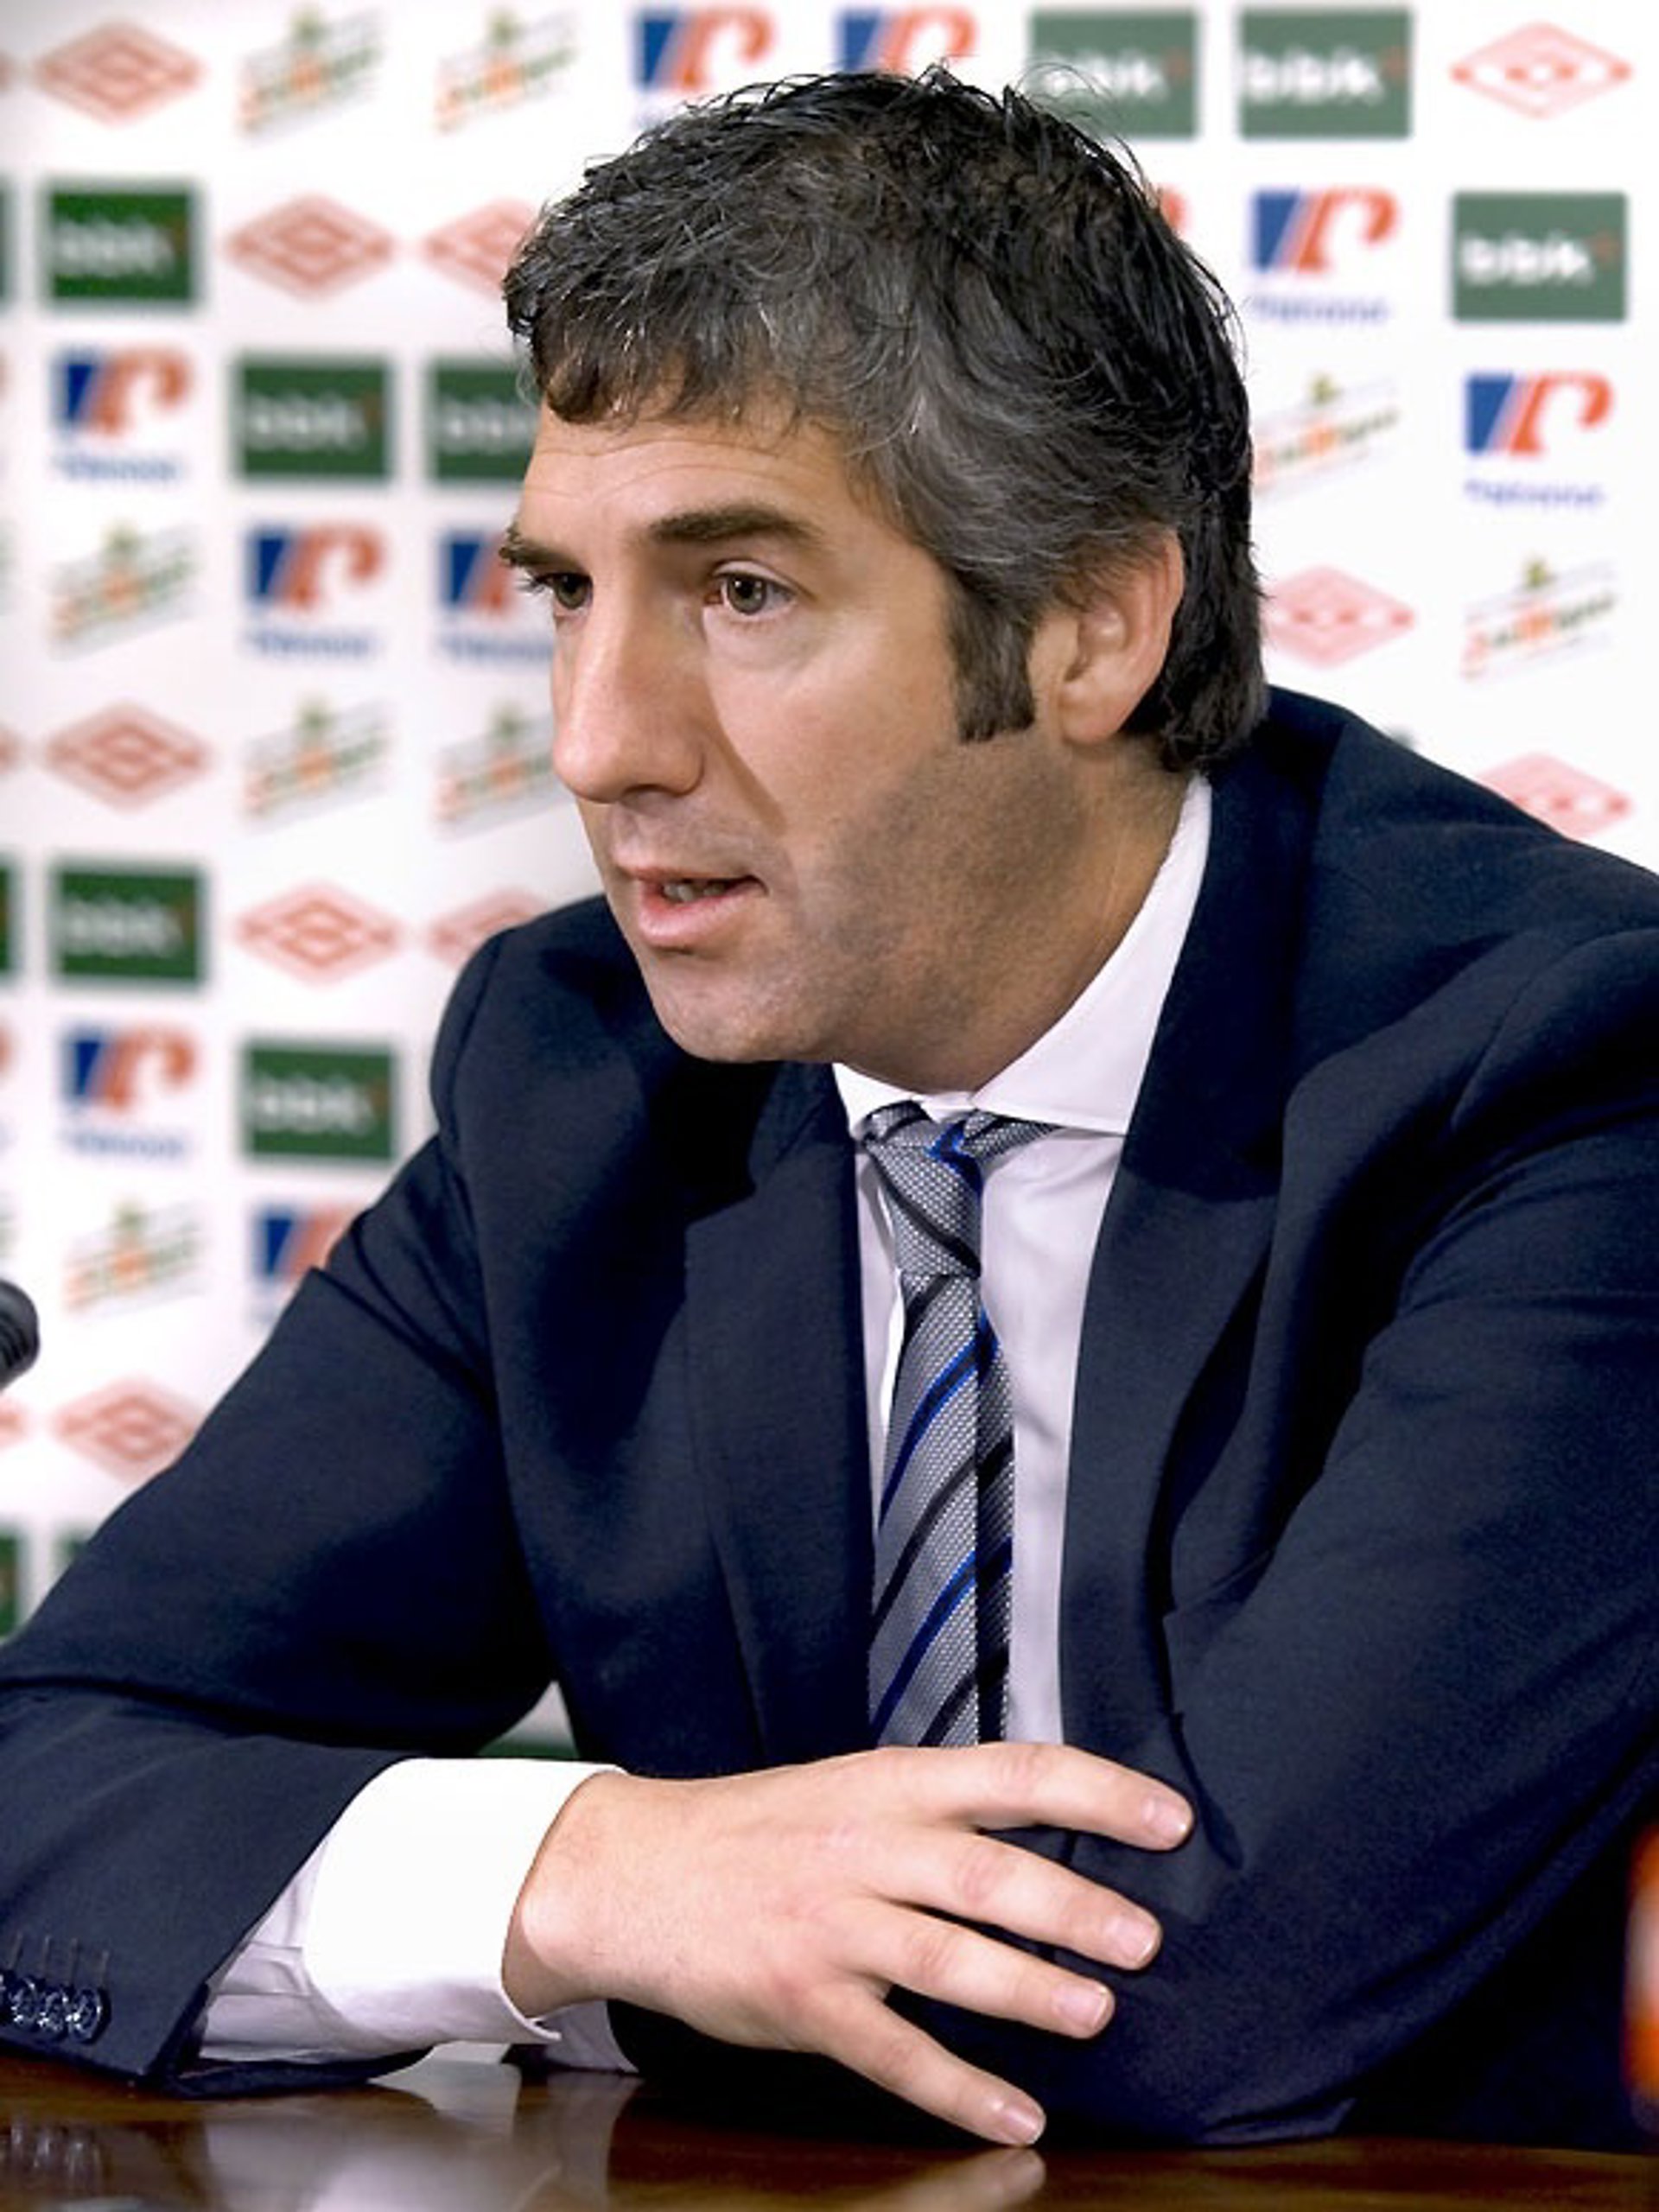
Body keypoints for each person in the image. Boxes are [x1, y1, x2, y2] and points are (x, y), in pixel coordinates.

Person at [1, 67, 1655, 2154]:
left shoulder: (1566, 1064)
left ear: (1093, 624)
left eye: (743, 592)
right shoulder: (575, 1073)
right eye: (567, 593)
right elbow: (50, 1778)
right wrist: (590, 1868)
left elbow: (1208, 1991)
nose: (600, 741)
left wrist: (607, 1942)